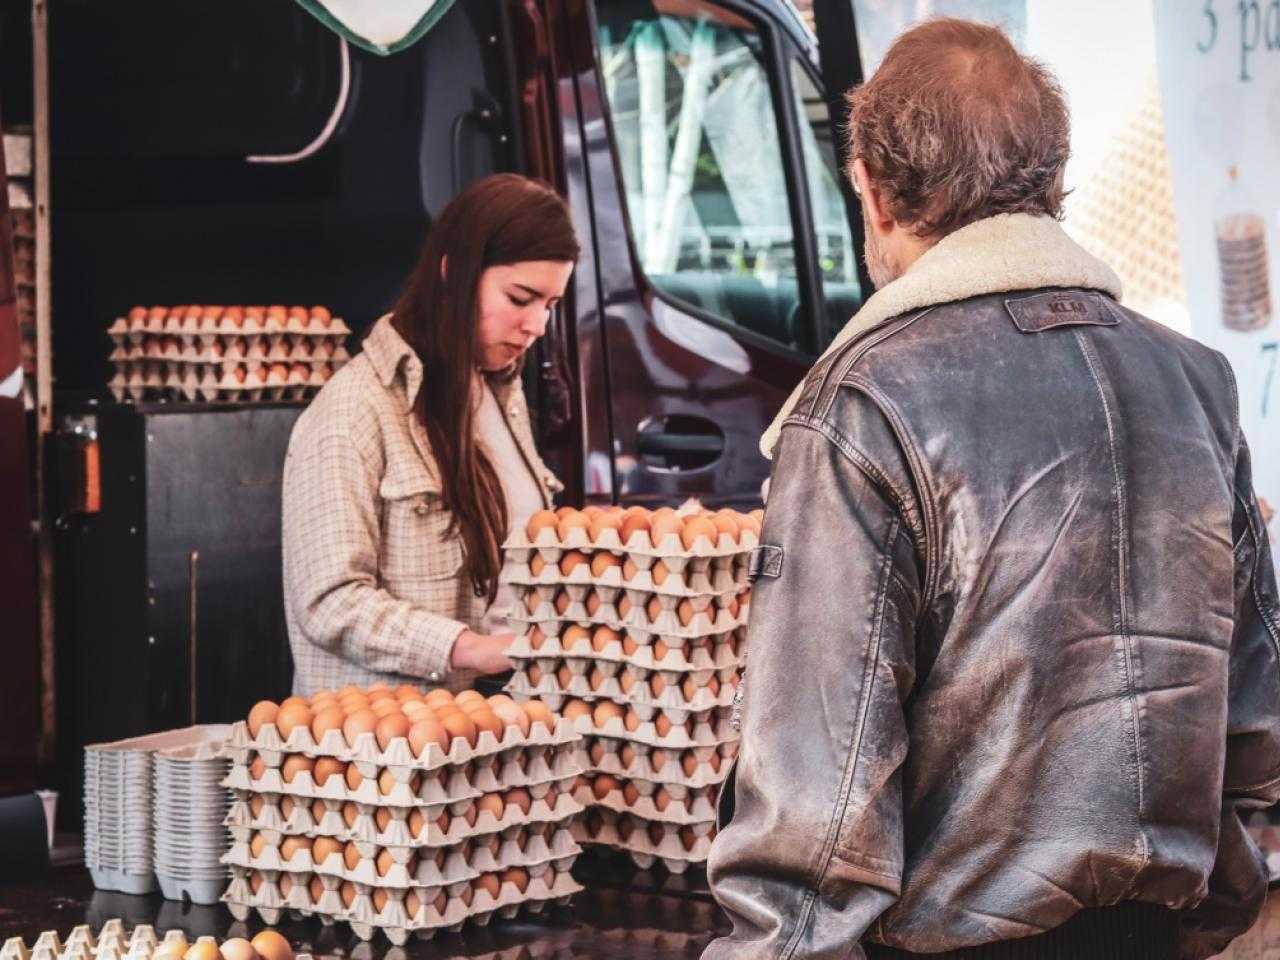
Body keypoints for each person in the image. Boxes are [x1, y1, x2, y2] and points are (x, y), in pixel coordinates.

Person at [705, 19, 1280, 960]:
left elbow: (815, 806)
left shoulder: (864, 404)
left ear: (875, 191)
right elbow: (1257, 718)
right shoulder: (1194, 381)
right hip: (1154, 936)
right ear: (1050, 183)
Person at [282, 174, 579, 695]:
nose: (536, 325)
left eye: (550, 305)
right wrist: (472, 650)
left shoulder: (497, 396)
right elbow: (329, 601)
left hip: (492, 725)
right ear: (452, 273)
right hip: (386, 749)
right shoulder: (353, 410)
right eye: (521, 297)